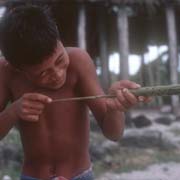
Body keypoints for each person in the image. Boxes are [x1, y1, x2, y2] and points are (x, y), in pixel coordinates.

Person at [0, 5, 151, 180]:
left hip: (79, 176)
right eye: (43, 73)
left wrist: (115, 108)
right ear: (16, 67)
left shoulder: (79, 62)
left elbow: (114, 134)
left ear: (57, 34)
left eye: (60, 60)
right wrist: (13, 112)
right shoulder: (6, 73)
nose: (57, 74)